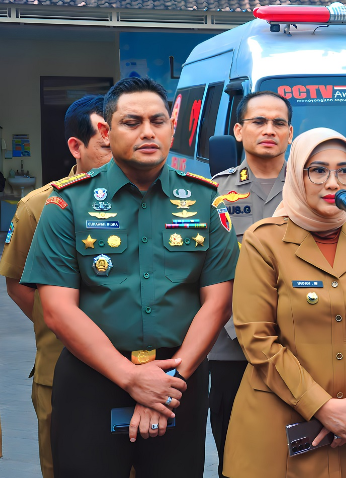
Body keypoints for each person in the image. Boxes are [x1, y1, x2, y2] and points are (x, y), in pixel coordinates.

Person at [20, 77, 240, 478]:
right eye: (131, 122)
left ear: (172, 127)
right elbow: (56, 310)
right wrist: (133, 379)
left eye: (157, 121)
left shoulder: (208, 201)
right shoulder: (65, 203)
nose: (147, 132)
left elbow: (218, 302)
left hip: (180, 383)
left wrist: (164, 383)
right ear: (106, 130)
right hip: (92, 381)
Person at [222, 128, 346, 478]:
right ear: (297, 174)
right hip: (280, 426)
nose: (333, 183)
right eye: (318, 170)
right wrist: (320, 405)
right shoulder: (264, 241)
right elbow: (256, 338)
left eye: (345, 171)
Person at [0, 95, 112, 478]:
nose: (118, 154)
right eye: (106, 147)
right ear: (76, 147)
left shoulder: (154, 204)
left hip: (137, 371)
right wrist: (61, 323)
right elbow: (16, 282)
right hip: (62, 370)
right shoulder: (40, 206)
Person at [208, 90, 293, 478]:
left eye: (278, 123)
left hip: (300, 349)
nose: (269, 130)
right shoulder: (214, 194)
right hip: (230, 351)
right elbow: (204, 271)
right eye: (259, 122)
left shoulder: (311, 189)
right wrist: (245, 332)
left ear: (291, 133)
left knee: (298, 459)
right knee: (235, 458)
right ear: (239, 131)